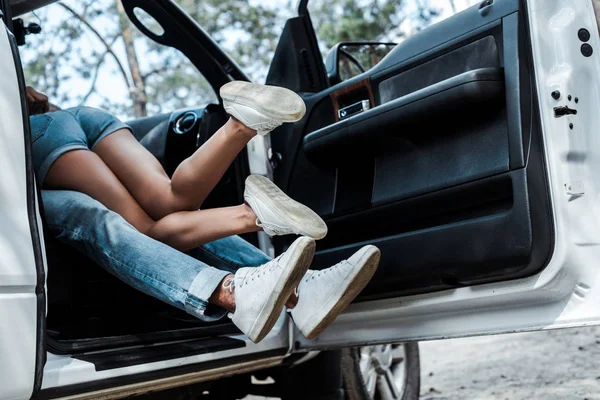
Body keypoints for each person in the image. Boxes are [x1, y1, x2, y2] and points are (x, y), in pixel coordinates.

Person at [27, 82, 380, 343]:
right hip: (73, 117)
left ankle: (250, 215)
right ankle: (241, 124)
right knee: (170, 199)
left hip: (31, 133)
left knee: (145, 231)